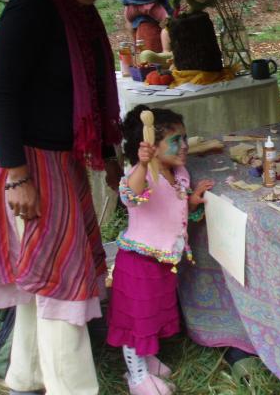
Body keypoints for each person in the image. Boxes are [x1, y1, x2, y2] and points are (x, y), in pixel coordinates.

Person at [0, 0, 122, 395]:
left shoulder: (85, 19)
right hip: (27, 163)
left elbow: (93, 97)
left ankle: (27, 377)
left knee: (44, 275)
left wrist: (107, 153)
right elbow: (0, 95)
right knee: (63, 278)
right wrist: (16, 176)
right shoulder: (31, 11)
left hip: (61, 161)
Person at [106, 105, 213, 395]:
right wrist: (142, 164)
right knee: (136, 319)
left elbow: (173, 209)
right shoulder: (145, 175)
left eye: (185, 138)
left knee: (151, 314)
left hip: (164, 263)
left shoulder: (179, 174)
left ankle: (147, 357)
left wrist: (191, 203)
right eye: (175, 140)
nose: (185, 146)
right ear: (151, 148)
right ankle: (136, 375)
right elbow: (130, 195)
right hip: (139, 264)